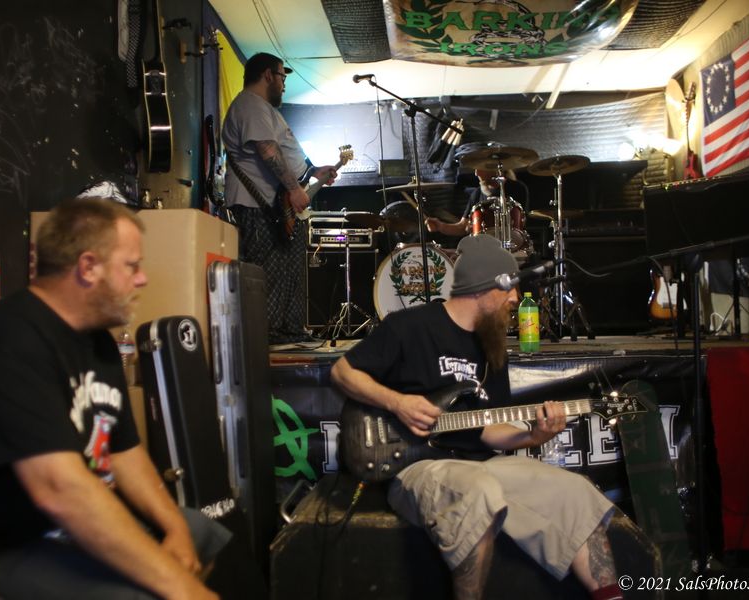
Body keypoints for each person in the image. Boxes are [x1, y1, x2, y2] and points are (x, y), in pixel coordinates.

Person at [0, 197, 229, 599]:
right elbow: (59, 489)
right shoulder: (7, 341)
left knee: (200, 534)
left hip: (48, 526)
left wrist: (176, 529)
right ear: (88, 267)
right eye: (132, 266)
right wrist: (183, 590)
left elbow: (124, 453)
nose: (141, 279)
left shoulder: (97, 342)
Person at [330, 234, 623, 600]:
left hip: (479, 464)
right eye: (509, 289)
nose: (515, 299)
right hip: (416, 467)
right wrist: (398, 403)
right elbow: (342, 372)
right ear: (484, 287)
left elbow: (486, 429)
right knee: (478, 491)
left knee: (573, 492)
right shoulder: (410, 326)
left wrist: (534, 436)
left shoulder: (492, 346)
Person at [221, 52, 338, 345]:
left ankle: (290, 331)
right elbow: (268, 149)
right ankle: (270, 336)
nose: (284, 84)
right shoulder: (250, 104)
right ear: (267, 75)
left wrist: (312, 171)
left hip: (275, 205)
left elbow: (283, 150)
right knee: (270, 273)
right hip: (257, 204)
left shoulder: (264, 108)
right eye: (282, 77)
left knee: (289, 272)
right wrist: (295, 189)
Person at [426, 168, 526, 238]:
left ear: (494, 168)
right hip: (483, 247)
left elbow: (521, 223)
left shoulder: (517, 188)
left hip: (511, 243)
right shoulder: (477, 193)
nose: (476, 173)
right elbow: (462, 227)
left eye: (480, 169)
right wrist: (440, 226)